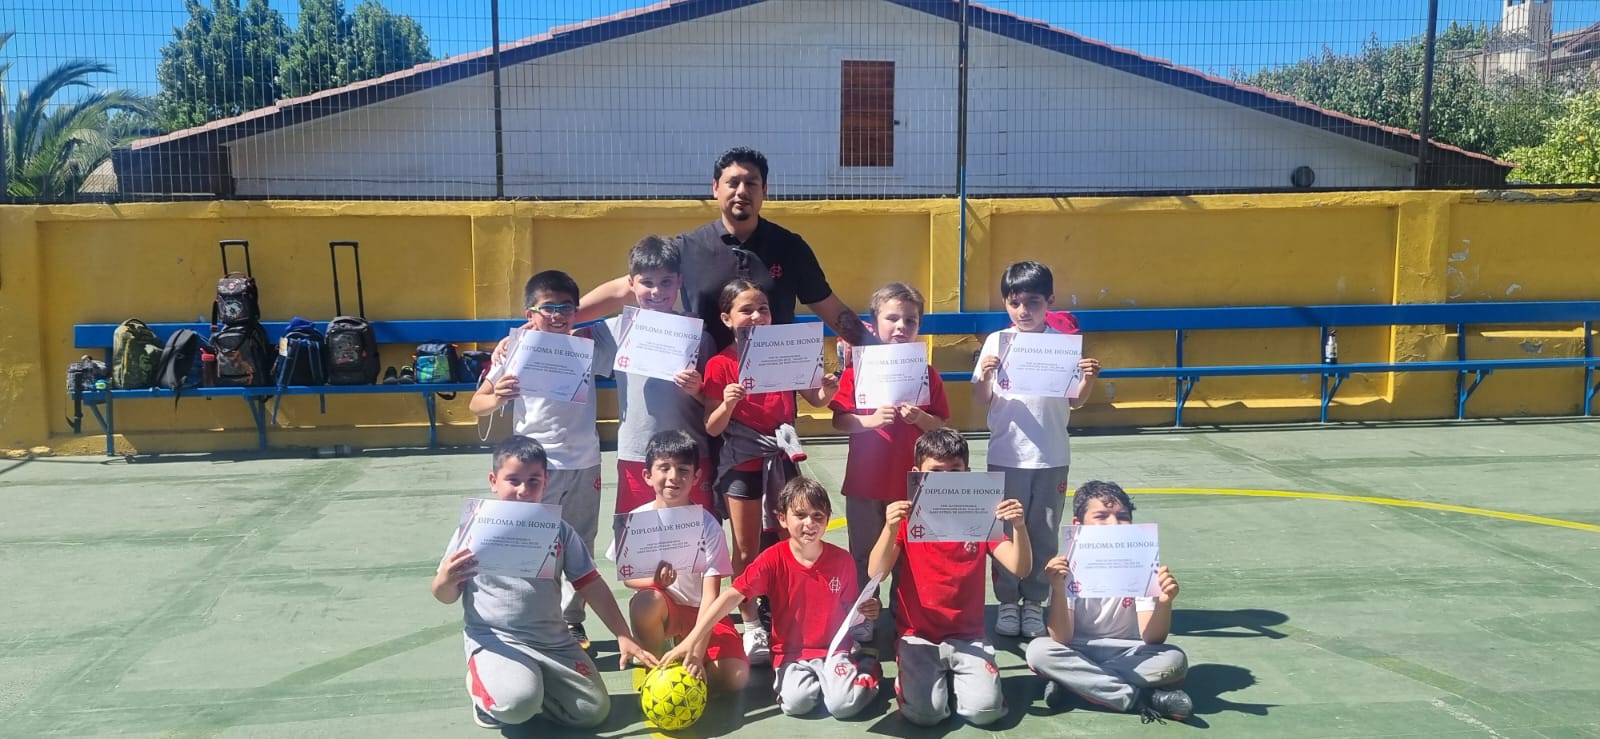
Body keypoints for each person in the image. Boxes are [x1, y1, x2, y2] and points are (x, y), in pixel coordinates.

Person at [431, 435, 656, 730]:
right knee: (515, 705)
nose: (523, 490)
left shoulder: (559, 531)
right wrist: (445, 580)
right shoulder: (473, 530)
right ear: (494, 481)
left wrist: (623, 635)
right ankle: (491, 691)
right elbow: (445, 595)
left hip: (553, 640)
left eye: (533, 481)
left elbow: (590, 583)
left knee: (593, 711)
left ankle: (528, 687)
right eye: (513, 480)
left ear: (545, 482)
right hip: (498, 639)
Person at [576, 147, 875, 351]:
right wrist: (562, 317)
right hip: (705, 398)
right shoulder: (688, 248)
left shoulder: (790, 247)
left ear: (765, 190)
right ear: (715, 188)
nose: (742, 191)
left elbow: (833, 311)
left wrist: (879, 352)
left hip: (772, 398)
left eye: (751, 183)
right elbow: (625, 288)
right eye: (733, 183)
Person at [470, 270, 616, 650]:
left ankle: (572, 621)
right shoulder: (514, 350)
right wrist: (498, 397)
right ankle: (536, 620)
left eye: (565, 307)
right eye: (547, 307)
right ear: (529, 313)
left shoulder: (589, 343)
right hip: (536, 467)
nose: (557, 315)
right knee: (535, 546)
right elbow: (476, 404)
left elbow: (625, 291)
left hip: (584, 462)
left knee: (580, 544)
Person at [660, 477, 881, 719]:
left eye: (818, 516)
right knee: (796, 704)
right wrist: (693, 638)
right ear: (782, 518)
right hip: (791, 654)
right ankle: (827, 683)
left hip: (834, 649)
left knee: (843, 706)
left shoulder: (842, 560)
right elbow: (732, 595)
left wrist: (866, 609)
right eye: (800, 515)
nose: (809, 523)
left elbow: (850, 608)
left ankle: (867, 666)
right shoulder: (772, 559)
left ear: (827, 519)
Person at [700, 278, 838, 665]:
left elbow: (817, 399)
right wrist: (728, 403)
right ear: (727, 318)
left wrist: (829, 386)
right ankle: (751, 622)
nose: (757, 316)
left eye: (763, 309)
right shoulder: (720, 364)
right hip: (743, 462)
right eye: (746, 310)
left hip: (782, 459)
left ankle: (785, 613)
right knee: (746, 548)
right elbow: (712, 426)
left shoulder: (787, 352)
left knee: (788, 539)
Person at [971, 261, 1101, 639]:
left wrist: (1088, 379)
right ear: (1005, 303)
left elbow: (1075, 401)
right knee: (1007, 531)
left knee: (1044, 532)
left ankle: (1034, 601)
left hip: (1051, 456)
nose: (1023, 311)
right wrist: (986, 375)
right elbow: (981, 397)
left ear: (1050, 302)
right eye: (1014, 303)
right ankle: (1007, 601)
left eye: (1032, 302)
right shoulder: (996, 341)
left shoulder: (1063, 345)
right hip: (1007, 454)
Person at [866, 428, 1028, 726]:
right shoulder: (907, 518)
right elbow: (876, 572)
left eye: (955, 470)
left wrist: (1018, 526)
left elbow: (1020, 568)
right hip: (918, 635)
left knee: (984, 712)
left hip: (968, 635)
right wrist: (889, 528)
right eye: (936, 472)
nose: (946, 479)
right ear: (917, 474)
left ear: (967, 472)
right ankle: (918, 678)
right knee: (924, 715)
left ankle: (961, 679)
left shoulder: (981, 515)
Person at [829, 282, 948, 635]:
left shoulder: (927, 374)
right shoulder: (857, 372)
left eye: (910, 320)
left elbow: (940, 424)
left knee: (909, 553)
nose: (901, 326)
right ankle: (865, 612)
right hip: (865, 483)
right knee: (864, 554)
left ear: (919, 325)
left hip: (912, 484)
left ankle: (905, 610)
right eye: (892, 318)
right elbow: (839, 420)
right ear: (874, 322)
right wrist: (868, 422)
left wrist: (920, 418)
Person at [1025, 481, 1191, 722]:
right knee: (1038, 651)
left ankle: (1074, 682)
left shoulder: (1142, 562)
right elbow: (1061, 637)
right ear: (1078, 524)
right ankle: (1141, 699)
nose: (1114, 523)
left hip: (1129, 651)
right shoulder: (1064, 567)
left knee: (1174, 660)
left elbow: (1152, 638)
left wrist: (1164, 603)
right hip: (1076, 648)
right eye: (1101, 516)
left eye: (1122, 517)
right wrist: (1058, 588)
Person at [613, 430, 750, 693]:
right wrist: (654, 581)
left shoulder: (708, 525)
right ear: (647, 475)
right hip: (666, 610)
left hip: (703, 614)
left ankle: (687, 656)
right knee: (645, 602)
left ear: (696, 477)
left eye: (683, 470)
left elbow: (711, 595)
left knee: (735, 679)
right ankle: (655, 664)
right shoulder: (635, 520)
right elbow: (629, 577)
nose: (673, 476)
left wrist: (696, 651)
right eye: (664, 468)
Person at [602, 236, 718, 520]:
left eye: (666, 282)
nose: (657, 291)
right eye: (647, 282)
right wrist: (524, 336)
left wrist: (697, 389)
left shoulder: (699, 337)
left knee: (694, 535)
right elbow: (564, 341)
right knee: (635, 534)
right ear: (631, 283)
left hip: (690, 455)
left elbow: (714, 403)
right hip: (636, 453)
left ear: (679, 281)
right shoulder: (614, 330)